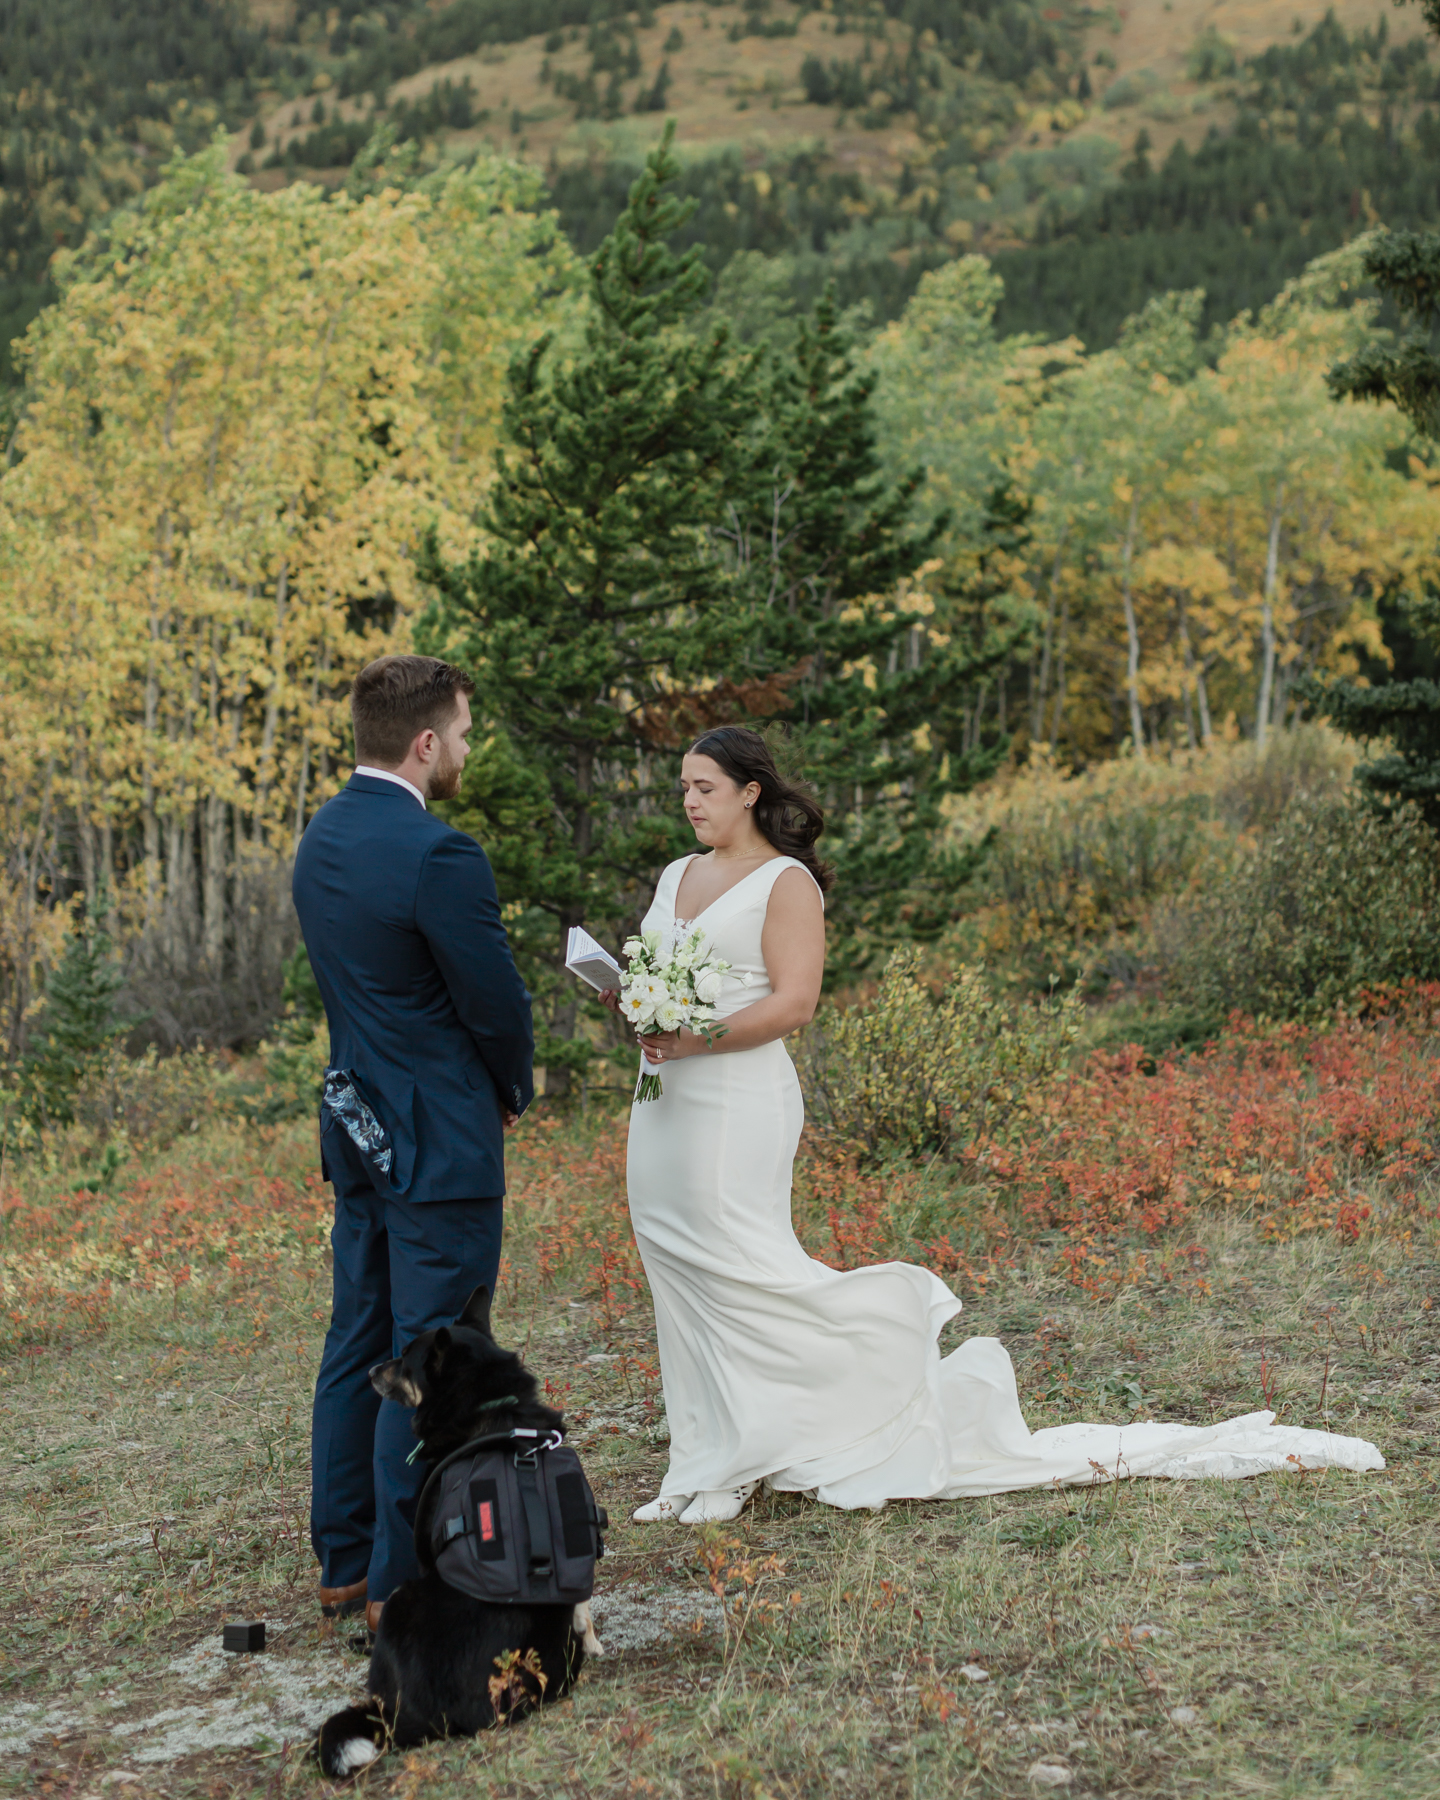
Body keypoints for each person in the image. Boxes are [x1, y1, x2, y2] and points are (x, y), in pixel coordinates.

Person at [617, 725, 1383, 1525]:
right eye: (683, 788)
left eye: (705, 787)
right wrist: (633, 998)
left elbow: (793, 1002)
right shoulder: (678, 874)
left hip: (736, 1097)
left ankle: (758, 1451)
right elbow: (656, 968)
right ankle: (701, 1457)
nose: (691, 802)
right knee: (678, 1265)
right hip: (664, 1095)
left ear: (750, 792)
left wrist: (696, 1035)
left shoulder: (786, 883)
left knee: (741, 1262)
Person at [294, 654, 534, 1631]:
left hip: (356, 1130)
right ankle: (404, 1585)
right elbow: (494, 1001)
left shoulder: (320, 839)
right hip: (438, 1145)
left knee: (356, 1340)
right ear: (425, 743)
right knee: (429, 1357)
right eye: (465, 734)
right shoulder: (441, 855)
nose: (468, 749)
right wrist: (513, 1086)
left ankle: (344, 1563)